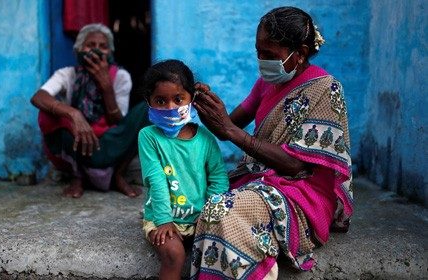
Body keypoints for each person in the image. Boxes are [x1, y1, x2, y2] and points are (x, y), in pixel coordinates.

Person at [190, 7, 354, 279]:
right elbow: (226, 128)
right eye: (258, 52)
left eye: (270, 55)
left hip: (303, 193)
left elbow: (295, 165)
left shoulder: (325, 88)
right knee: (196, 203)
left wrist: (230, 130)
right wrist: (207, 106)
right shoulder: (266, 83)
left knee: (222, 213)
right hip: (261, 181)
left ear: (300, 53)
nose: (261, 60)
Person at [30, 23, 149, 198]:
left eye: (103, 46)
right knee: (47, 114)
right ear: (79, 50)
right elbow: (38, 97)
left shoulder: (121, 77)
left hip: (110, 143)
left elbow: (119, 123)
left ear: (110, 53)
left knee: (149, 110)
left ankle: (118, 174)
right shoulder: (68, 74)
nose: (96, 50)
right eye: (90, 45)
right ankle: (77, 176)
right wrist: (74, 114)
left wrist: (106, 87)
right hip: (78, 143)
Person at [138, 59, 229, 280]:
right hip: (164, 219)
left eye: (178, 99)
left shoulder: (205, 139)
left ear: (191, 99)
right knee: (174, 254)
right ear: (148, 101)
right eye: (160, 100)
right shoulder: (148, 137)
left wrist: (208, 216)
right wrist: (163, 220)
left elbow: (218, 178)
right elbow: (156, 179)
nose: (170, 107)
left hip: (201, 218)